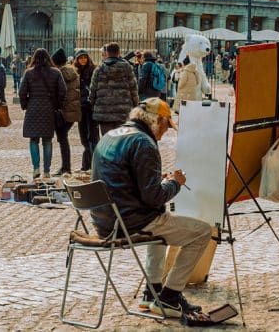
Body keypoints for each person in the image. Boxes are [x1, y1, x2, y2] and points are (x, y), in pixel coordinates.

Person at [90, 98, 210, 318]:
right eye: (165, 126)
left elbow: (125, 181)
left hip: (105, 221)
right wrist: (175, 183)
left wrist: (157, 182)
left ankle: (151, 292)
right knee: (202, 232)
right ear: (158, 120)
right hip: (130, 222)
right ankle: (170, 298)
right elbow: (153, 198)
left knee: (160, 217)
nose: (164, 133)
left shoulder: (109, 136)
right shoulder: (143, 143)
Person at [20, 48, 66, 179]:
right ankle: (46, 171)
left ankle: (35, 168)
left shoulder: (29, 73)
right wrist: (57, 104)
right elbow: (63, 91)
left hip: (33, 108)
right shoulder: (56, 72)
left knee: (33, 139)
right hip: (49, 109)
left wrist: (26, 105)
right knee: (47, 140)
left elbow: (22, 92)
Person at [88, 43, 140, 157]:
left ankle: (108, 166)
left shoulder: (99, 68)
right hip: (123, 111)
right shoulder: (127, 67)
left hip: (104, 112)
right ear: (118, 52)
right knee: (121, 142)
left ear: (106, 53)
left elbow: (93, 90)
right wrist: (136, 105)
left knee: (107, 142)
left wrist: (93, 106)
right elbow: (133, 88)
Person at [51, 49, 81, 176]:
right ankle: (65, 166)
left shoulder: (59, 74)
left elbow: (59, 93)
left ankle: (66, 167)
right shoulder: (73, 72)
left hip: (64, 111)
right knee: (63, 138)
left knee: (62, 138)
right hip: (74, 110)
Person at [74, 50, 96, 172]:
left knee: (92, 136)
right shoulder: (75, 72)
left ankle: (92, 164)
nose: (83, 60)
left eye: (85, 58)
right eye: (80, 58)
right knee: (83, 136)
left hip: (91, 107)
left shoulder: (93, 70)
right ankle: (86, 165)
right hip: (80, 107)